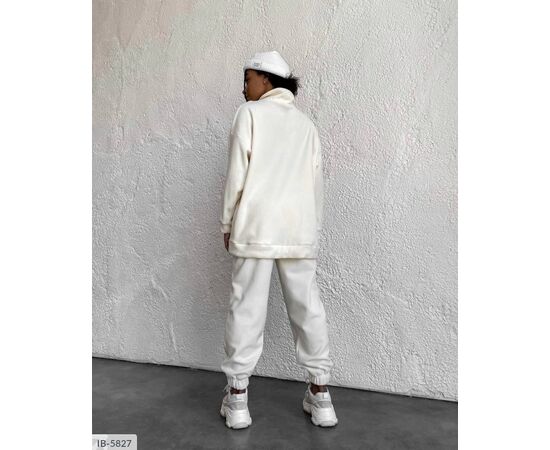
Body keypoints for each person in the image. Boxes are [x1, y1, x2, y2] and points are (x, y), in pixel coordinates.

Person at [219, 50, 338, 429]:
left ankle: (238, 398)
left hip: (256, 228)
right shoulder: (307, 125)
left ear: (266, 79)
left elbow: (236, 175)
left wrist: (227, 223)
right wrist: (313, 232)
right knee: (308, 308)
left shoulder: (249, 114)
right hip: (299, 229)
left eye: (248, 79)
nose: (244, 87)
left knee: (246, 308)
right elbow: (316, 186)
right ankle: (321, 395)